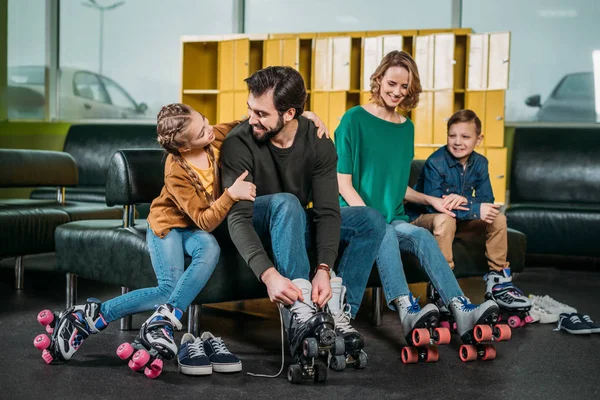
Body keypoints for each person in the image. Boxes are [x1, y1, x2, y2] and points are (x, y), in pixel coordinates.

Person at [34, 103, 327, 377]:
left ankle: (161, 321)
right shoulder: (176, 171)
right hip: (169, 228)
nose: (209, 129)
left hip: (197, 230)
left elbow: (249, 122)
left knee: (209, 247)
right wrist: (230, 195)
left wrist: (299, 118)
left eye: (205, 121)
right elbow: (205, 220)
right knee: (167, 289)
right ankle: (92, 316)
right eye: (201, 131)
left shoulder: (214, 137)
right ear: (185, 145)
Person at [220, 66, 385, 366]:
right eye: (250, 110)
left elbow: (326, 212)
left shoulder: (318, 141)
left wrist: (324, 267)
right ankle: (302, 316)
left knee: (370, 220)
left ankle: (336, 312)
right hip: (260, 221)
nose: (252, 119)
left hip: (294, 221)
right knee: (287, 203)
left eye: (261, 113)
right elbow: (237, 218)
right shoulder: (239, 142)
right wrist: (268, 275)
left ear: (290, 114)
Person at [334, 51, 499, 345]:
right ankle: (406, 309)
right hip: (356, 218)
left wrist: (432, 201)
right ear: (379, 79)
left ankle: (460, 308)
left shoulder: (406, 128)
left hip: (393, 218)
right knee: (382, 230)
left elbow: (397, 185)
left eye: (404, 87)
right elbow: (342, 183)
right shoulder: (353, 120)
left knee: (422, 237)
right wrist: (372, 221)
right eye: (392, 83)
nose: (397, 92)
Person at [409, 109, 532, 320]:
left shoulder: (480, 163)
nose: (457, 142)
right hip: (426, 219)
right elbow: (434, 206)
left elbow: (488, 202)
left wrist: (466, 200)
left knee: (498, 218)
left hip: (458, 219)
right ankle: (442, 287)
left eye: (465, 137)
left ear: (478, 139)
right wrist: (475, 207)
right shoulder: (435, 163)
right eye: (452, 135)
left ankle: (498, 282)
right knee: (445, 218)